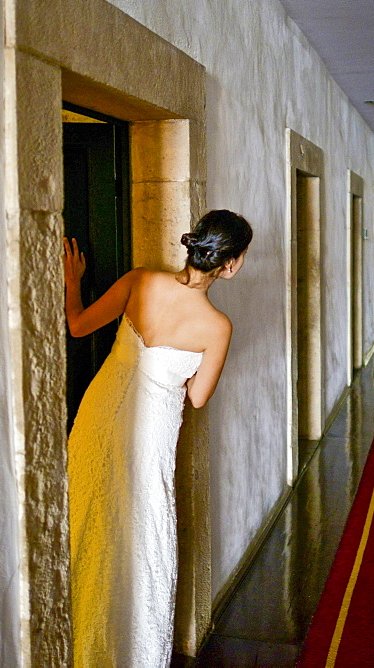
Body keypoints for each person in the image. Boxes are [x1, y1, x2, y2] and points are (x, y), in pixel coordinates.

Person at [63, 209, 253, 667]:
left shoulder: (139, 280)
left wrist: (73, 281)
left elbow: (78, 325)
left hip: (98, 413)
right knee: (142, 531)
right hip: (151, 434)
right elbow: (198, 398)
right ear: (231, 264)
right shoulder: (216, 326)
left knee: (85, 509)